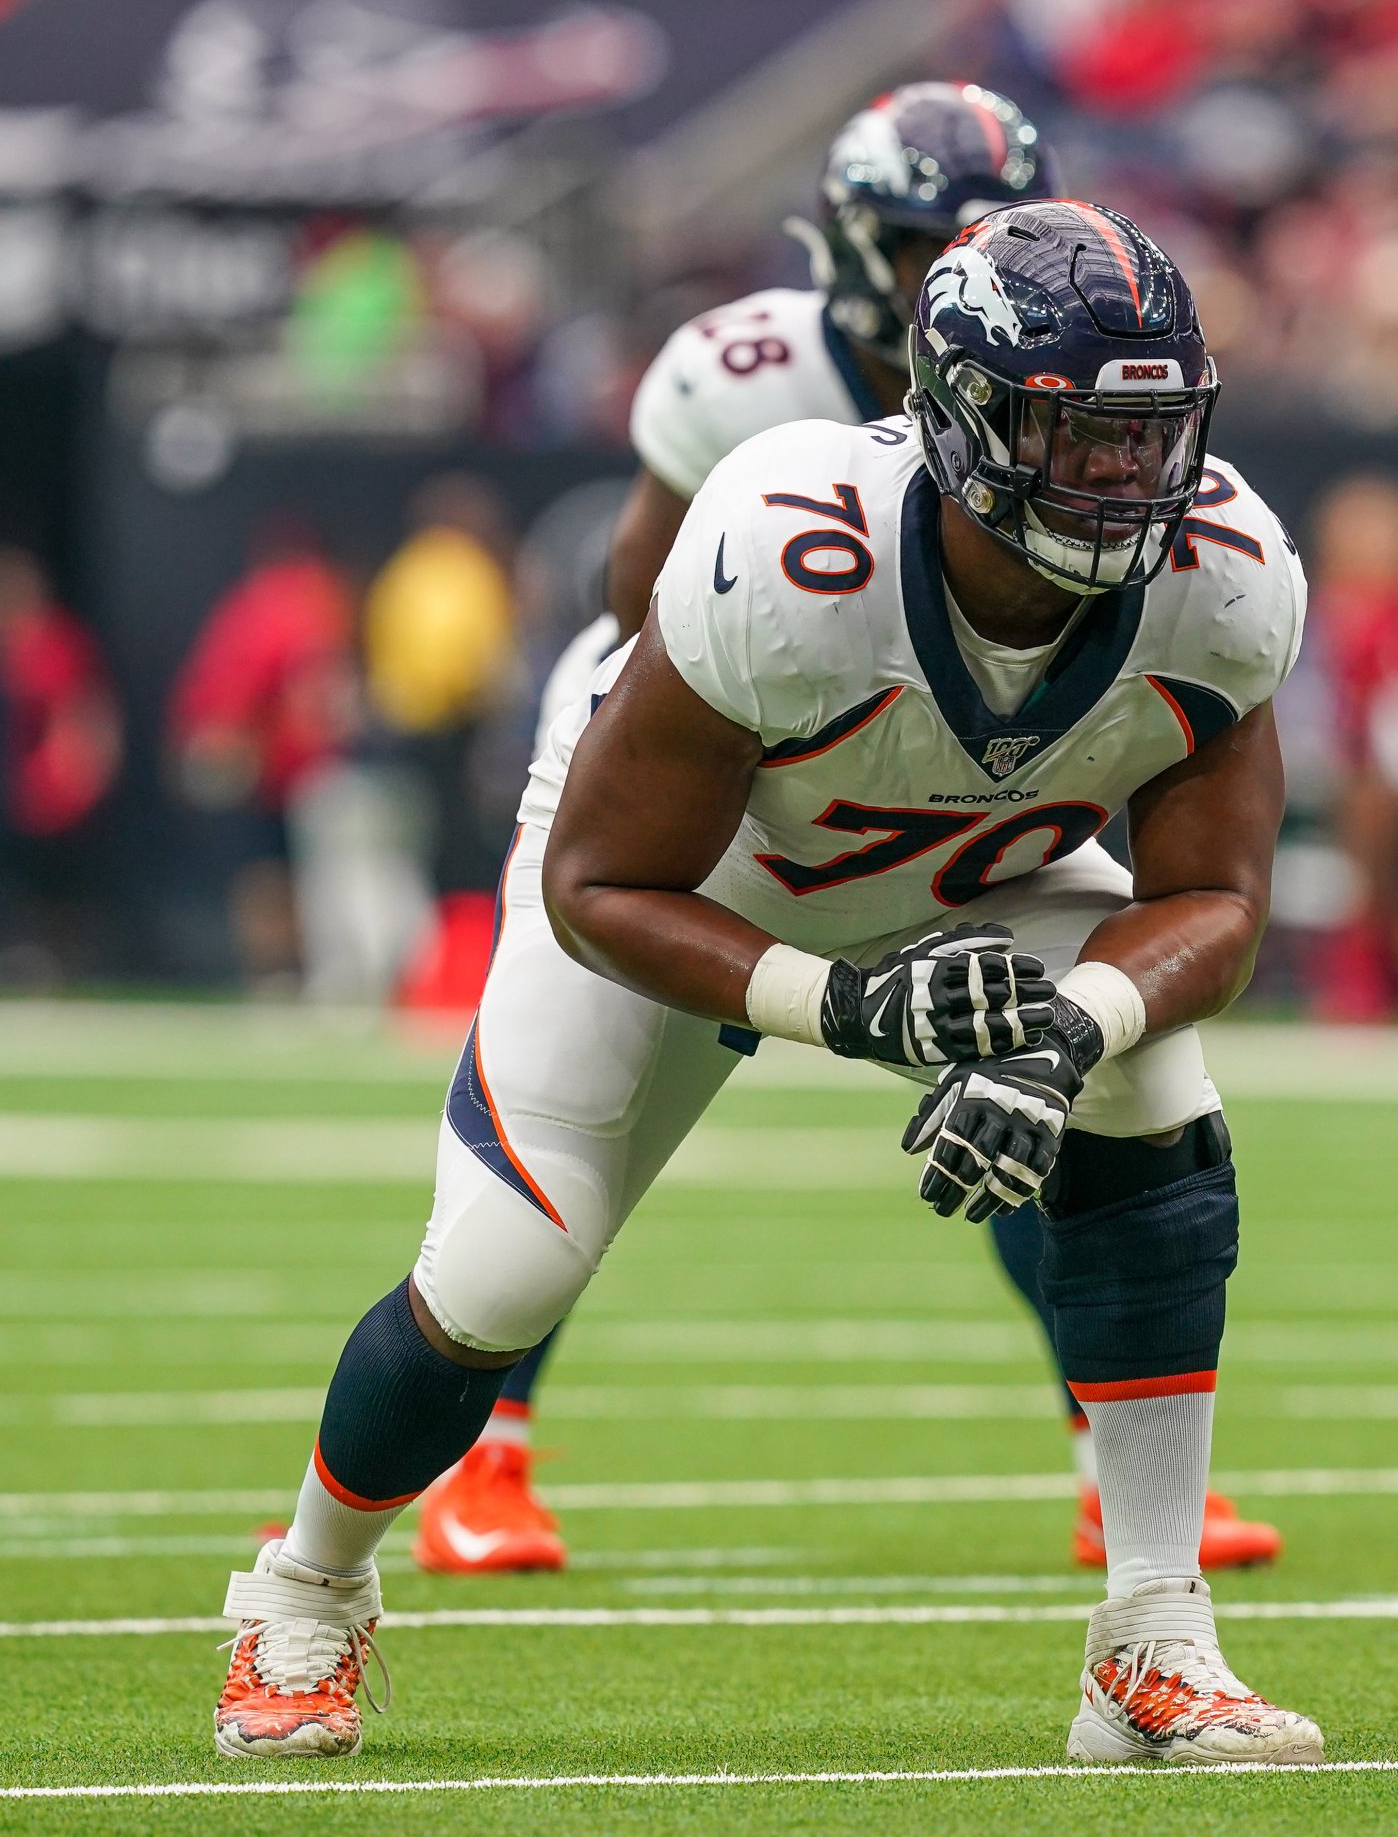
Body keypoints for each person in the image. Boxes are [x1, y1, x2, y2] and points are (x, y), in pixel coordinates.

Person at [211, 202, 1318, 1768]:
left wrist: (1068, 1029)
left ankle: (1152, 1636)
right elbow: (595, 884)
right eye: (1077, 438)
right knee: (505, 1267)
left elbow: (1214, 900)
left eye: (1149, 438)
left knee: (1150, 1081)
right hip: (708, 875)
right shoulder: (790, 547)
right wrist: (845, 1008)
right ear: (961, 419)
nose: (1122, 481)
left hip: (981, 872)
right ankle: (303, 1587)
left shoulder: (1225, 571)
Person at [433, 84, 1282, 1578]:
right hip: (728, 756)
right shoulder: (744, 378)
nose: (940, 264)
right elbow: (639, 614)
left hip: (959, 771)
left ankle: (1115, 1445)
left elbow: (1212, 879)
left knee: (1049, 1078)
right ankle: (481, 1446)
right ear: (845, 244)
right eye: (912, 243)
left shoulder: (1128, 453)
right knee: (562, 1166)